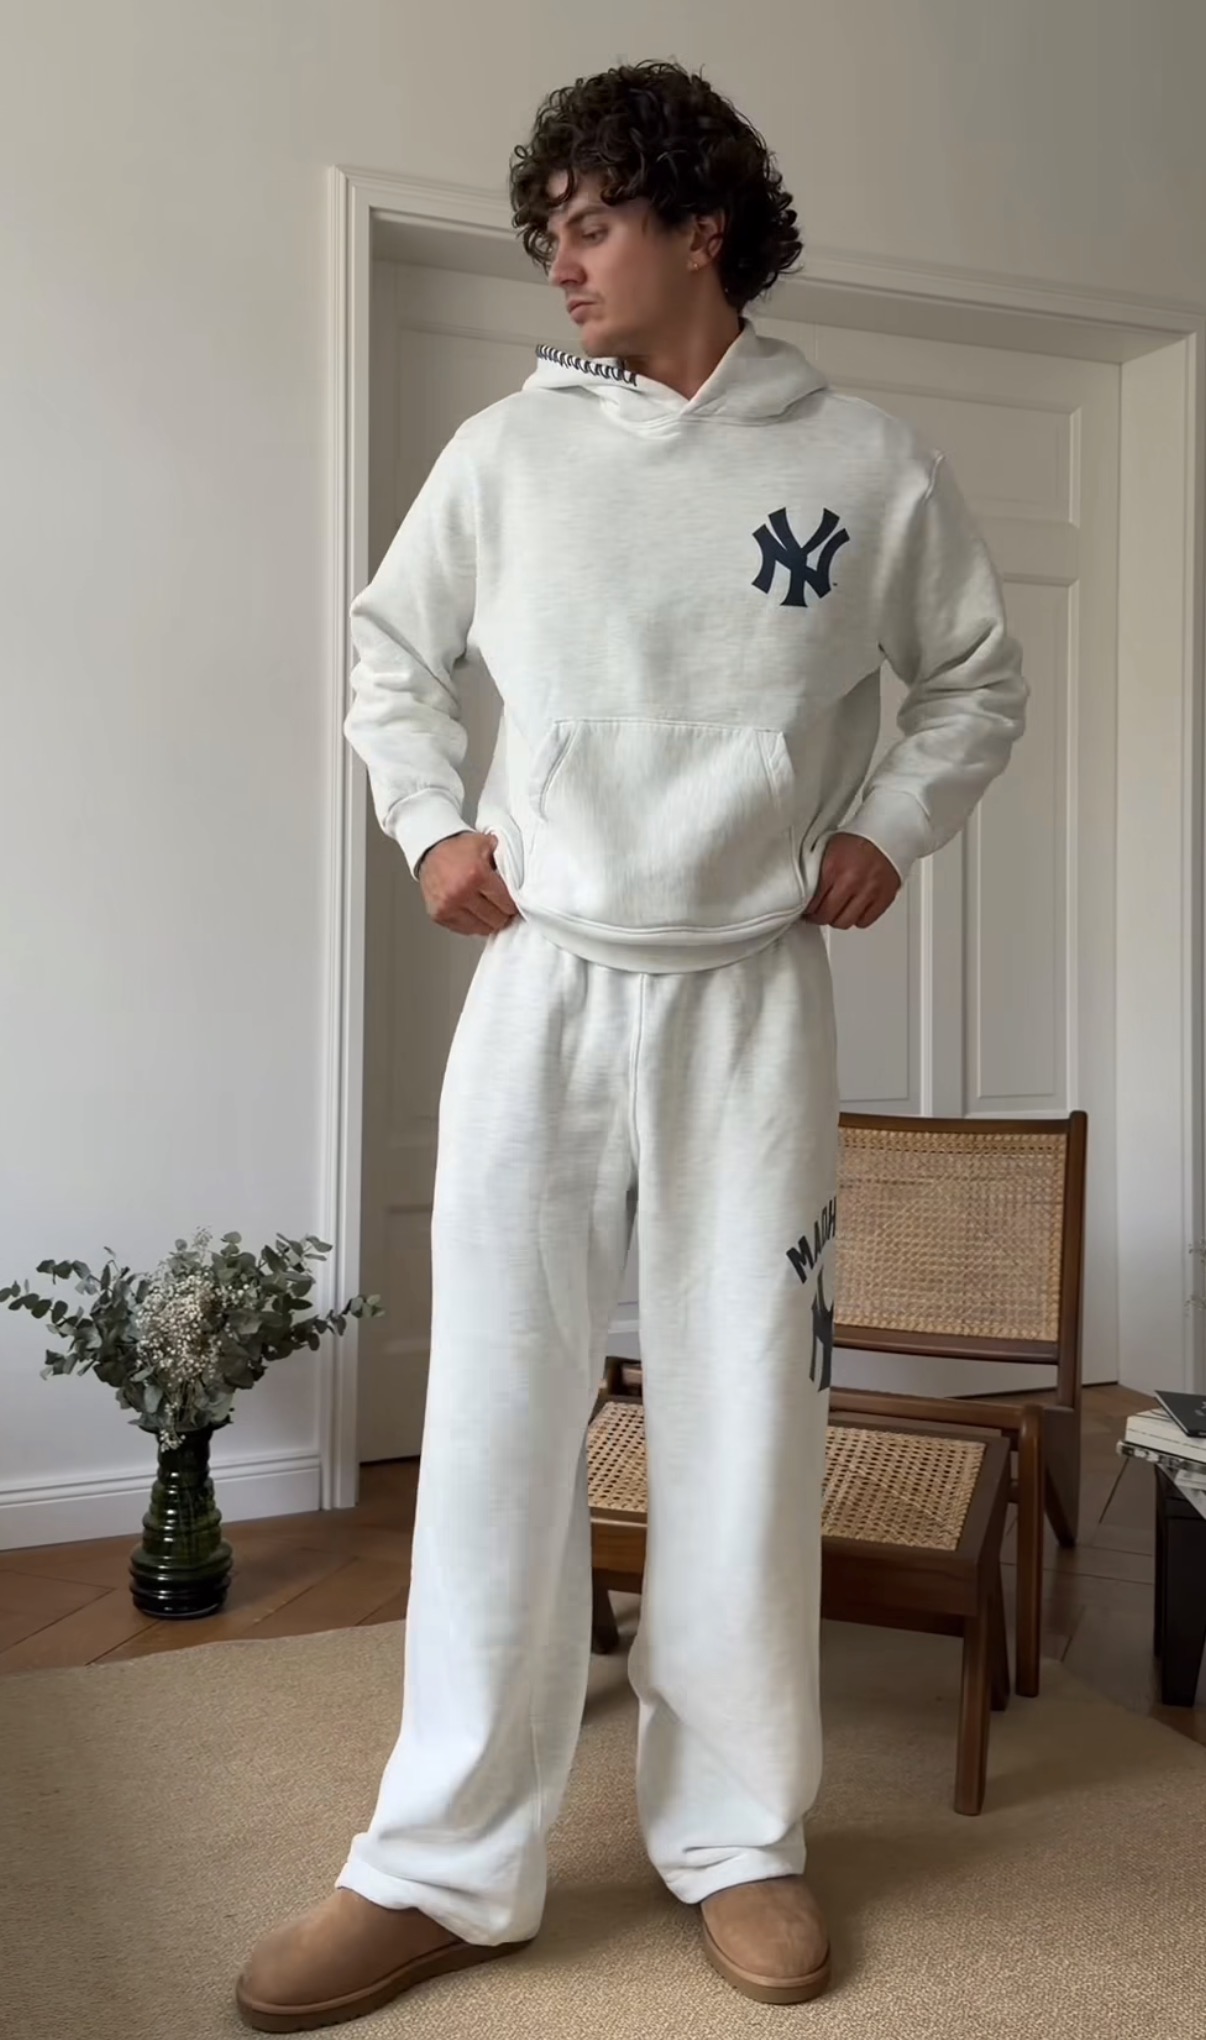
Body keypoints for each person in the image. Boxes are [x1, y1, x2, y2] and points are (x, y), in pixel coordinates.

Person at [236, 59, 1026, 2030]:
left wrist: (891, 823)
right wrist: (433, 825)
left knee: (746, 1416)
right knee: (499, 1408)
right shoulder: (509, 455)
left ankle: (738, 1838)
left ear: (700, 224)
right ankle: (441, 1862)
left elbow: (974, 679)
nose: (563, 264)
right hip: (545, 982)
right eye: (548, 235)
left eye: (592, 223)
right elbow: (390, 655)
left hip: (750, 992)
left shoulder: (864, 464)